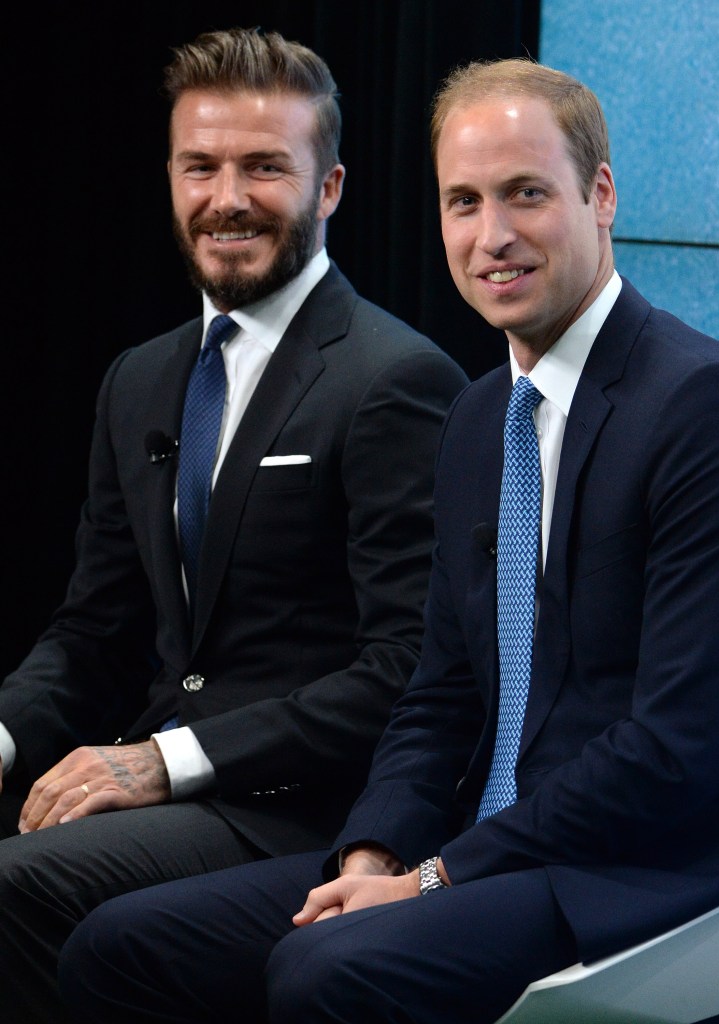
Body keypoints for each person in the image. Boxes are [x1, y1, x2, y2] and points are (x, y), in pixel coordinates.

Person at [58, 57, 719, 1024]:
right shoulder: (483, 414)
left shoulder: (706, 404)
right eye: (463, 201)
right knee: (119, 948)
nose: (493, 236)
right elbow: (437, 691)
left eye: (526, 194)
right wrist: (374, 850)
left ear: (600, 194)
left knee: (326, 972)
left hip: (638, 867)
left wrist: (435, 879)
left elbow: (677, 750)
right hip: (474, 849)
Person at [0, 26, 468, 1023]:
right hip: (171, 788)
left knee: (16, 883)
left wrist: (160, 760)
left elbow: (407, 668)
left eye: (264, 167)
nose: (227, 198)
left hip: (300, 807)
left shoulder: (397, 379)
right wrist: (1, 735)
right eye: (199, 166)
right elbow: (93, 630)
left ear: (329, 187)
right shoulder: (139, 378)